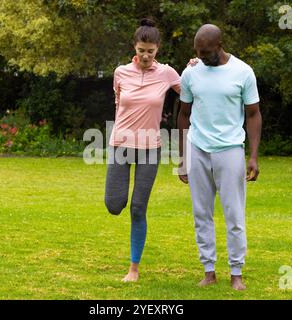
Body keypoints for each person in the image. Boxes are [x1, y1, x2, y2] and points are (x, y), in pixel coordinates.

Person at [177, 24, 262, 290]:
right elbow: (183, 114)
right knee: (201, 213)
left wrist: (253, 156)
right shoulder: (191, 72)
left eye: (206, 52)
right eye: (198, 53)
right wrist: (182, 157)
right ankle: (209, 271)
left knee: (234, 215)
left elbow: (253, 114)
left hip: (230, 151)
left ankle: (236, 272)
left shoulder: (243, 72)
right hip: (198, 149)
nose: (202, 57)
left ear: (220, 44)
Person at [105, 18, 181, 282]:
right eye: (141, 50)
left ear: (157, 48)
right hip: (120, 146)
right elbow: (118, 103)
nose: (146, 55)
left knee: (138, 208)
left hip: (150, 148)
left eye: (150, 51)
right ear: (134, 48)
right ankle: (118, 200)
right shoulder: (120, 72)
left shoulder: (167, 73)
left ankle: (133, 269)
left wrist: (196, 68)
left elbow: (191, 92)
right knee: (114, 205)